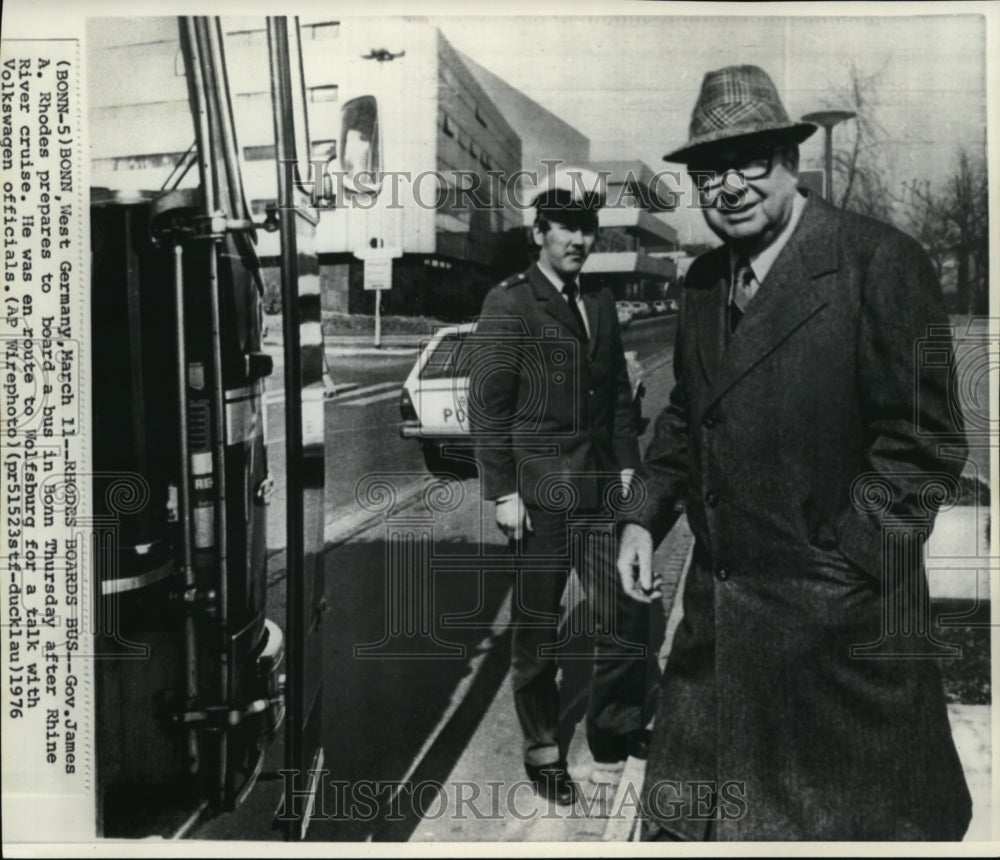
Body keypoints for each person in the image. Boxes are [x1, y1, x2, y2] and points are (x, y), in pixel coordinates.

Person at [616, 65, 972, 840]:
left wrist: (844, 565)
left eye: (750, 162)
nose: (730, 187)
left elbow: (925, 447)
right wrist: (643, 516)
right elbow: (687, 416)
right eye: (709, 172)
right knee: (692, 827)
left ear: (789, 160)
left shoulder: (880, 263)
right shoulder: (706, 281)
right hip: (717, 648)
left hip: (838, 647)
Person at [470, 166, 652, 806]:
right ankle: (543, 747)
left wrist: (627, 465)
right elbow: (489, 407)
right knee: (538, 632)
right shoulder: (510, 302)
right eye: (566, 226)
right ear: (538, 230)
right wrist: (502, 493)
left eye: (587, 226)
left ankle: (614, 728)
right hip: (540, 499)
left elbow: (619, 402)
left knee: (629, 612)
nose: (579, 238)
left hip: (601, 493)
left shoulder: (599, 301)